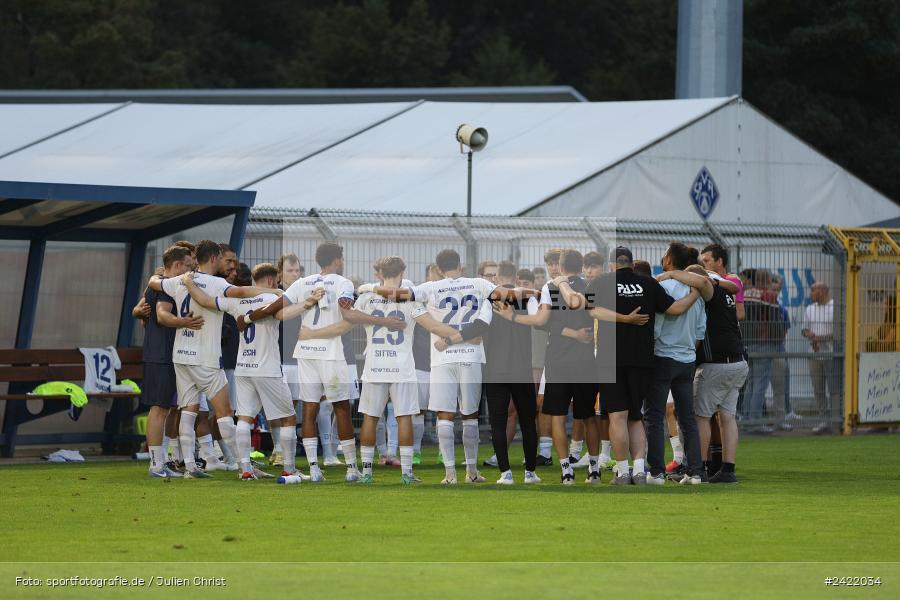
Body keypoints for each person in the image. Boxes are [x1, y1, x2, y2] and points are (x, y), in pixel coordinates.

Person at [363, 249, 537, 484]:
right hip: (471, 355)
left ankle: (450, 474)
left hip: (442, 357)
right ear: (461, 266)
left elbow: (398, 294)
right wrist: (535, 292)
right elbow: (509, 293)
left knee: (444, 415)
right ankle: (472, 472)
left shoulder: (430, 287)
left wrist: (368, 288)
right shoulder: (478, 283)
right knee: (470, 415)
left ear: (438, 269)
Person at [245, 242, 406, 482]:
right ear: (337, 259)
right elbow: (346, 312)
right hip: (330, 353)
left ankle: (313, 469)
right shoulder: (343, 283)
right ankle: (352, 469)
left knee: (310, 409)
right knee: (341, 408)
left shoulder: (302, 283)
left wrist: (256, 314)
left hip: (306, 353)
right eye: (342, 258)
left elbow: (278, 312)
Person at [149, 240, 269, 478]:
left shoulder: (182, 280)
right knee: (225, 412)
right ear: (214, 258)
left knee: (189, 410)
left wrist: (157, 278)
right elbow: (242, 291)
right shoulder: (216, 283)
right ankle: (245, 467)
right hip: (206, 359)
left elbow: (154, 282)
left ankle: (191, 466)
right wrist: (272, 291)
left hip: (181, 356)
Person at [578, 246, 698, 485]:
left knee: (617, 417)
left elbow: (589, 309)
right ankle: (640, 471)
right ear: (631, 264)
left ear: (612, 264)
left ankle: (623, 472)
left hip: (610, 360)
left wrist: (623, 318)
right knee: (635, 416)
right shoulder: (648, 284)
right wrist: (696, 292)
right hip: (642, 360)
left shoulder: (602, 282)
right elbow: (675, 309)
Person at [182, 263, 311, 481]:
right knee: (288, 418)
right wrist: (307, 303)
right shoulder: (274, 297)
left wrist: (188, 284)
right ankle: (289, 469)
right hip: (267, 368)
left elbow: (204, 300)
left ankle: (246, 470)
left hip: (244, 367)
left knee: (244, 417)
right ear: (271, 281)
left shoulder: (237, 300)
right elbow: (281, 315)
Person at [309, 256, 427, 484]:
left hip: (375, 364)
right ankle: (407, 474)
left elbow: (348, 315)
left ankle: (367, 472)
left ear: (380, 273)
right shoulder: (410, 295)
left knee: (371, 418)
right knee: (404, 418)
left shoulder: (365, 296)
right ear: (402, 271)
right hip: (402, 366)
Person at [446, 260, 541, 484]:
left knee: (498, 422)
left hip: (495, 369)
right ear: (517, 278)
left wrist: (451, 338)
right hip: (521, 370)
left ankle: (505, 473)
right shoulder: (527, 298)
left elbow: (479, 326)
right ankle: (530, 473)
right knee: (528, 422)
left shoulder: (490, 299)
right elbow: (538, 322)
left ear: (497, 279)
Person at [646, 243, 713, 485]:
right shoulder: (698, 293)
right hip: (687, 360)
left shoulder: (662, 286)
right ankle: (695, 471)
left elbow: (656, 329)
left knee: (654, 415)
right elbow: (699, 333)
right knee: (687, 418)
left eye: (664, 255)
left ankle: (656, 472)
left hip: (663, 357)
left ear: (669, 261)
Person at [142, 245, 203, 477]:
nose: (191, 270)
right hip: (161, 356)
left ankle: (162, 462)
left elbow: (142, 314)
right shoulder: (167, 286)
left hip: (161, 354)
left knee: (164, 408)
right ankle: (156, 465)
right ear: (177, 265)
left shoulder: (157, 283)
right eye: (188, 265)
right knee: (159, 409)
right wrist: (184, 322)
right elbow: (161, 315)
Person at [689, 264, 748, 483]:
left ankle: (700, 469)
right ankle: (728, 470)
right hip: (738, 361)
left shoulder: (710, 292)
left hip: (716, 364)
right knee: (727, 417)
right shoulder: (726, 293)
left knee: (701, 416)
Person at [273, 253, 304, 467]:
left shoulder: (305, 294)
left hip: (299, 358)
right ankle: (278, 450)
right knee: (281, 407)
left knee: (292, 406)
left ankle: (282, 451)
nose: (294, 274)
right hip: (278, 359)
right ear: (279, 273)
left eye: (297, 270)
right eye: (289, 270)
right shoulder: (275, 295)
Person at [412, 263, 442, 464]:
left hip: (443, 363)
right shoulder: (418, 301)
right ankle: (415, 451)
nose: (434, 283)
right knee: (418, 410)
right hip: (420, 363)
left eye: (438, 279)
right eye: (432, 279)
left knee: (444, 410)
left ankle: (443, 451)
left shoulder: (450, 301)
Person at [802, 282, 837, 434]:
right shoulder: (810, 308)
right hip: (814, 354)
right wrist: (809, 335)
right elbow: (804, 329)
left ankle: (837, 419)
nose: (811, 293)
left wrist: (820, 339)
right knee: (818, 390)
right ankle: (824, 420)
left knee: (834, 388)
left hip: (832, 354)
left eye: (813, 290)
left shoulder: (835, 307)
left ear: (822, 291)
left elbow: (840, 332)